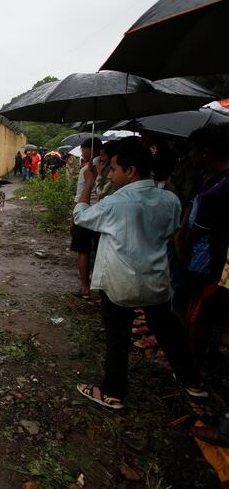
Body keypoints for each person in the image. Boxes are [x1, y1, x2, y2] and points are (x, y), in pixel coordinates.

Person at [73, 137, 204, 410]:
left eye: (115, 169)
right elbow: (170, 233)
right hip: (155, 279)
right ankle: (191, 381)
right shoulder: (169, 199)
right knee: (168, 330)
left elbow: (82, 216)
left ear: (131, 171)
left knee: (117, 338)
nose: (110, 173)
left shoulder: (116, 203)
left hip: (120, 283)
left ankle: (113, 392)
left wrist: (88, 182)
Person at [175, 124, 229, 377]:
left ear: (206, 152)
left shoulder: (222, 187)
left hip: (207, 261)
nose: (190, 156)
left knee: (197, 314)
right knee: (184, 305)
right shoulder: (207, 178)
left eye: (194, 150)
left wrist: (184, 241)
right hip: (193, 254)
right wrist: (181, 235)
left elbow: (203, 225)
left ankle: (191, 367)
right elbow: (191, 208)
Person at [70, 138, 102, 300]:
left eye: (83, 150)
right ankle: (101, 285)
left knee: (83, 250)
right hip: (103, 215)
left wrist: (73, 217)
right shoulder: (110, 169)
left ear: (91, 150)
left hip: (86, 212)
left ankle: (84, 287)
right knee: (101, 250)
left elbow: (80, 196)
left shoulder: (87, 170)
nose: (82, 153)